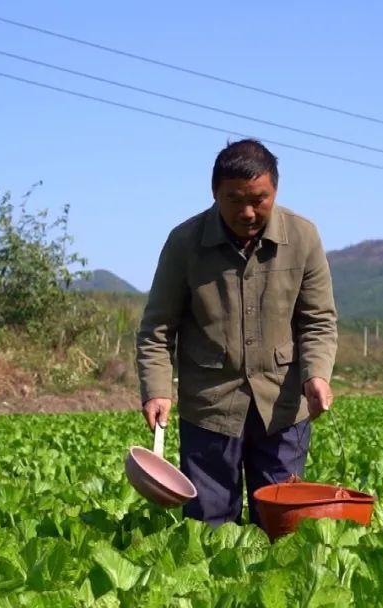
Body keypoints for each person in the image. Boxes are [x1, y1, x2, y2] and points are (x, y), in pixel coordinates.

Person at [135, 139, 338, 527]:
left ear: (275, 191)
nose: (247, 211)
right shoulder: (185, 243)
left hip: (281, 406)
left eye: (259, 199)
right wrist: (157, 388)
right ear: (215, 193)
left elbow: (318, 319)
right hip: (211, 406)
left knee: (281, 526)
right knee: (209, 526)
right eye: (234, 200)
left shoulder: (303, 237)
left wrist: (316, 375)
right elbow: (157, 328)